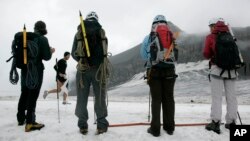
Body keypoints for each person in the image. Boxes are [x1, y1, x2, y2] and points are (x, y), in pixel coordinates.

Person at [71, 11, 109, 135]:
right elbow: (104, 52)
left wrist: (83, 61)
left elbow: (73, 53)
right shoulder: (101, 32)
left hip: (83, 70)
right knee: (99, 97)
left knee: (82, 98)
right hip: (99, 70)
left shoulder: (79, 33)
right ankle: (101, 124)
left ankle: (83, 125)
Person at [140, 15, 177, 137]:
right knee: (169, 98)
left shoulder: (149, 37)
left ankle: (155, 129)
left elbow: (144, 55)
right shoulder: (171, 36)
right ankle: (169, 127)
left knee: (156, 100)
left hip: (154, 71)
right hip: (170, 71)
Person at [16, 21, 55, 132]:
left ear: (35, 28)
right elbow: (46, 57)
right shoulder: (42, 39)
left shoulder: (26, 38)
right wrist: (51, 51)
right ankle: (30, 122)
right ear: (43, 28)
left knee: (24, 92)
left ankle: (20, 119)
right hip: (36, 69)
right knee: (33, 94)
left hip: (25, 69)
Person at [203, 18, 238, 134]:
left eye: (210, 26)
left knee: (217, 97)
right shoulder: (230, 35)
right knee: (231, 97)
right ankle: (231, 122)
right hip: (231, 71)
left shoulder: (210, 37)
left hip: (217, 70)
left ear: (213, 26)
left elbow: (206, 54)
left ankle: (215, 122)